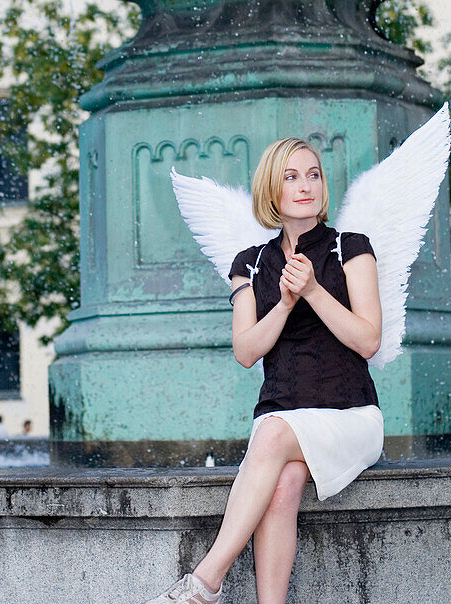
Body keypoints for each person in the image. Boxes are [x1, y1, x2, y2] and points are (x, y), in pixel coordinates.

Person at [144, 138, 383, 604]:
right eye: (291, 177)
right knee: (284, 482)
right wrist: (286, 304)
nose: (305, 185)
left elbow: (368, 340)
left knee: (272, 435)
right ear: (271, 190)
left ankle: (204, 583)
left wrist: (313, 291)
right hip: (282, 419)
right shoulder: (250, 264)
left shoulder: (351, 248)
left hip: (349, 415)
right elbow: (246, 351)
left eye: (313, 174)